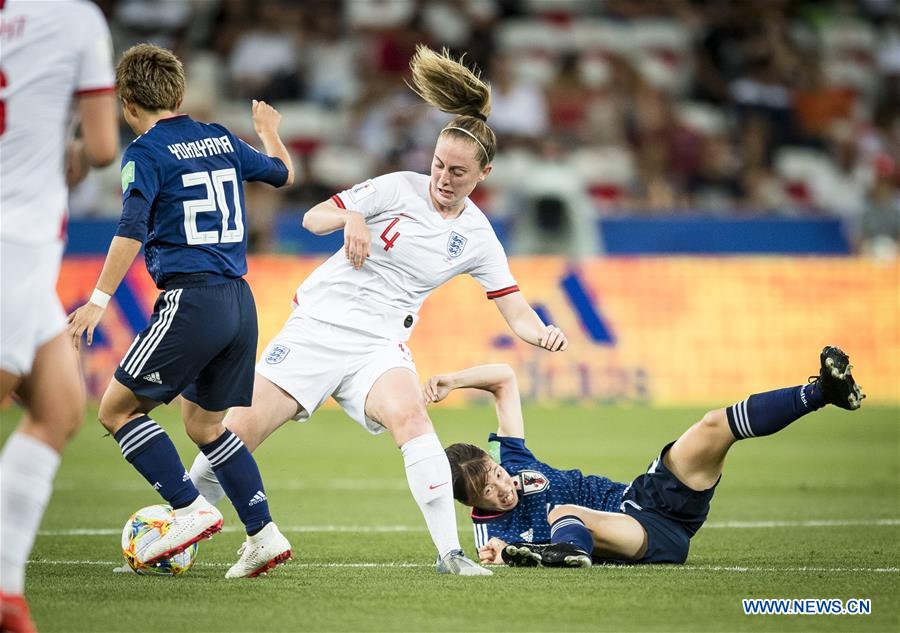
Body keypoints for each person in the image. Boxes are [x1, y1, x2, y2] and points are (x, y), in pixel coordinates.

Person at [189, 45, 569, 576]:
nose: (443, 178)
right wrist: (351, 219)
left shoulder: (479, 237)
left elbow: (516, 310)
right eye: (438, 165)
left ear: (484, 172)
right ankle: (179, 534)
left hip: (379, 346)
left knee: (411, 416)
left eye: (458, 172)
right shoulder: (397, 188)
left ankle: (451, 555)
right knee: (236, 436)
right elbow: (313, 218)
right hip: (318, 329)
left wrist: (542, 333)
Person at [66, 43, 295, 579]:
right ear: (179, 93)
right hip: (239, 302)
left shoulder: (144, 153)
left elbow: (131, 228)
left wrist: (97, 301)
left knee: (116, 411)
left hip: (191, 300)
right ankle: (264, 534)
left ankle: (190, 509)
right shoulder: (219, 137)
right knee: (205, 426)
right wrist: (269, 133)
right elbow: (282, 173)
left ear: (127, 105)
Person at [431, 346, 864, 568]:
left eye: (497, 474)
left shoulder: (509, 456)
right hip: (640, 536)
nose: (503, 487)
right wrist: (503, 554)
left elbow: (504, 378)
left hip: (647, 497)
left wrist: (452, 380)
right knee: (564, 513)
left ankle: (822, 392)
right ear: (473, 504)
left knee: (713, 425)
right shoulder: (491, 534)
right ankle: (569, 553)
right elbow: (492, 554)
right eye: (488, 491)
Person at [0, 1, 119, 630]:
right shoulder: (74, 19)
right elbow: (102, 147)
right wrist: (66, 150)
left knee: (61, 403)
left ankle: (7, 594)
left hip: (23, 254)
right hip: (14, 241)